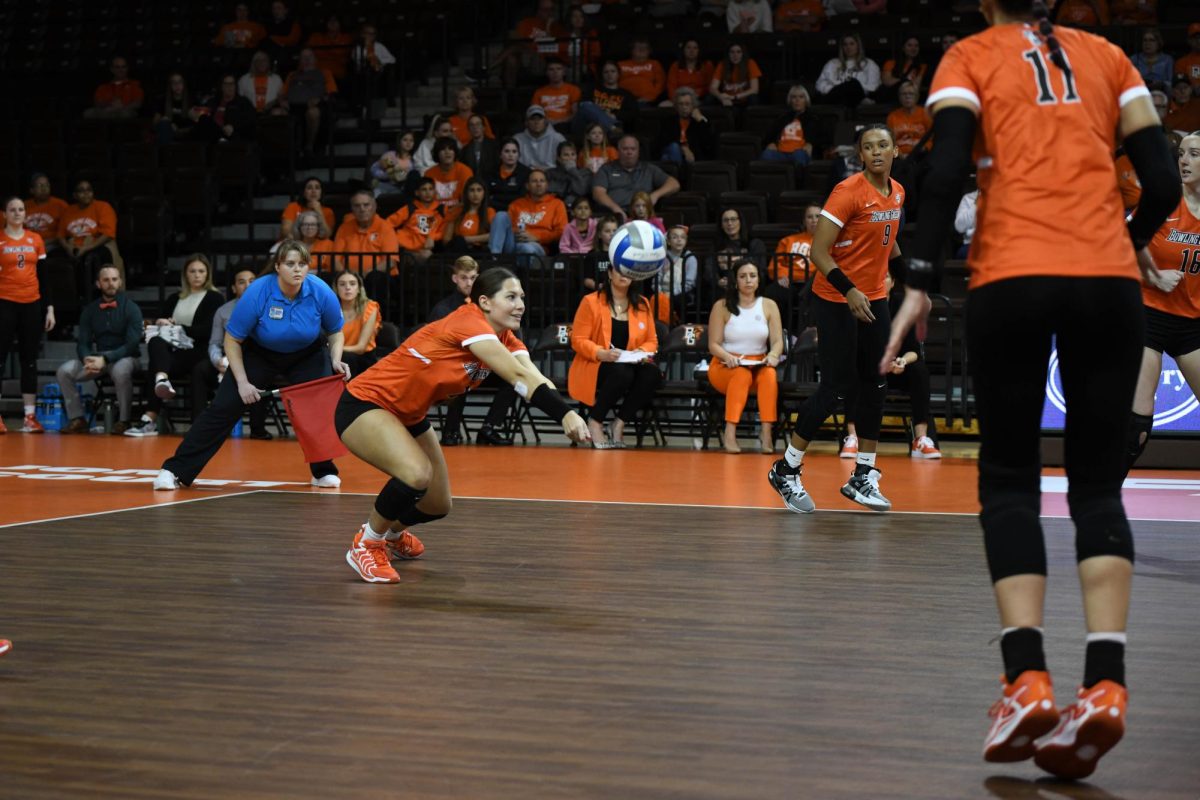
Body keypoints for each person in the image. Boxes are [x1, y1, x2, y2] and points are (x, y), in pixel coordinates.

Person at [883, 0, 1179, 778]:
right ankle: (1106, 687)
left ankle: (1027, 680)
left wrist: (917, 276)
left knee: (1010, 480)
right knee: (1097, 486)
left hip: (1012, 273)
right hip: (1108, 282)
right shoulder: (1110, 58)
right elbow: (1161, 177)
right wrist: (1127, 241)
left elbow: (945, 169)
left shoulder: (969, 56)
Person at [337, 266, 589, 582]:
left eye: (522, 296)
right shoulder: (468, 321)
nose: (521, 304)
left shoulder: (506, 339)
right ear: (484, 302)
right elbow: (519, 378)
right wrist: (563, 415)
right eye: (511, 297)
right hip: (366, 403)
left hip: (408, 415)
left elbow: (534, 377)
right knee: (415, 473)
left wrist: (567, 411)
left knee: (437, 502)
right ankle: (367, 543)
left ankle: (389, 534)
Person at [767, 125, 903, 515]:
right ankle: (786, 469)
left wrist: (914, 284)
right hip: (835, 298)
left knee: (876, 384)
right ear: (860, 155)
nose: (876, 152)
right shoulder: (847, 192)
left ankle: (863, 475)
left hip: (874, 296)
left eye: (883, 145)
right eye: (868, 147)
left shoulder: (897, 193)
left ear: (895, 150)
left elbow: (888, 241)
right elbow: (818, 253)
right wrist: (849, 290)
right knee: (837, 388)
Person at [155, 241, 349, 490]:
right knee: (223, 408)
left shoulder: (320, 291)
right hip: (260, 352)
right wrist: (243, 382)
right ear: (278, 266)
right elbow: (232, 339)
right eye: (290, 264)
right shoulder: (258, 291)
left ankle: (323, 472)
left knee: (316, 408)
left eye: (302, 264)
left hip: (307, 353)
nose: (297, 270)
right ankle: (173, 470)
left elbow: (335, 332)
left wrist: (334, 359)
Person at [1125, 131, 1200, 473]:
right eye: (1182, 154)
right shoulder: (1163, 201)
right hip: (1148, 316)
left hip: (1193, 324)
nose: (1184, 161)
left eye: (1195, 154)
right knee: (1135, 430)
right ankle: (1102, 507)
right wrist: (1153, 276)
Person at [841, 272, 941, 459]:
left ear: (893, 282)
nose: (881, 279)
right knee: (854, 369)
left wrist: (902, 361)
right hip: (870, 369)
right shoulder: (860, 306)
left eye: (886, 276)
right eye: (877, 276)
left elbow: (914, 351)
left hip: (896, 370)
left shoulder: (902, 309)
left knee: (919, 370)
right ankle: (853, 437)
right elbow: (853, 348)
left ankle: (921, 439)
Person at [125, 255, 225, 436]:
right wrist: (162, 322)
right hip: (176, 353)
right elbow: (162, 324)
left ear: (207, 274)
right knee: (155, 341)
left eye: (201, 271)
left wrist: (179, 327)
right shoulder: (174, 298)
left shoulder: (215, 298)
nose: (197, 275)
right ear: (185, 275)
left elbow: (207, 331)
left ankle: (151, 417)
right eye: (192, 271)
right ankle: (162, 379)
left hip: (200, 352)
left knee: (156, 364)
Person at [427, 257, 520, 447]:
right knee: (460, 376)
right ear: (455, 279)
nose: (469, 283)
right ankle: (451, 430)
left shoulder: (492, 304)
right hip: (455, 368)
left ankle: (489, 428)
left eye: (473, 277)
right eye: (464, 278)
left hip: (486, 367)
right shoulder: (444, 308)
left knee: (514, 380)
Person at [569, 266, 660, 448]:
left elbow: (652, 340)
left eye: (629, 272)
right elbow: (578, 340)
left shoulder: (642, 303)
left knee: (652, 374)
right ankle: (595, 421)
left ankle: (619, 422)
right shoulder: (590, 301)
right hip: (596, 363)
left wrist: (639, 352)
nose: (624, 275)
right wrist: (600, 353)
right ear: (610, 273)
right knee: (622, 373)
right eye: (620, 270)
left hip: (629, 362)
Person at [56, 264, 142, 435]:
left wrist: (107, 359)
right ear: (98, 284)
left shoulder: (131, 308)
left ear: (120, 282)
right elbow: (83, 342)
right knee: (64, 371)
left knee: (120, 371)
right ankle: (78, 418)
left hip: (127, 357)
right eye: (106, 280)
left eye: (114, 279)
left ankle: (124, 420)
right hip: (98, 359)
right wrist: (86, 359)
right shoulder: (90, 310)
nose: (111, 283)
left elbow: (132, 343)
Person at [707, 260, 783, 453]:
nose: (748, 280)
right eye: (743, 276)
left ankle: (766, 434)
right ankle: (729, 433)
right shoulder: (722, 306)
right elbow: (713, 345)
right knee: (742, 375)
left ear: (759, 279)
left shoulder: (769, 305)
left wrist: (773, 355)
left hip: (758, 363)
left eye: (752, 275)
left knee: (769, 376)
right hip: (726, 365)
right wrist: (727, 356)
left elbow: (777, 341)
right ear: (735, 280)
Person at [195, 267, 272, 440]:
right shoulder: (223, 311)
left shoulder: (267, 307)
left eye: (252, 281)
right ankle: (199, 425)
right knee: (200, 369)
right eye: (241, 282)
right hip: (226, 356)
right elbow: (214, 343)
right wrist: (217, 361)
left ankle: (257, 428)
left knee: (261, 373)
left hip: (254, 357)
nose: (247, 285)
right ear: (233, 288)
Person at [0, 197, 55, 435]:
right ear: (4, 213)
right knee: (0, 359)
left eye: (21, 209)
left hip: (31, 303)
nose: (17, 213)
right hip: (4, 302)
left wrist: (49, 308)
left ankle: (29, 417)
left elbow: (44, 278)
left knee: (29, 360)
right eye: (12, 209)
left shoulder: (35, 239)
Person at [591, 135, 680, 221]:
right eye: (625, 149)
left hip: (643, 216)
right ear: (618, 151)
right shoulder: (606, 169)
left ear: (638, 152)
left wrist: (655, 195)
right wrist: (615, 209)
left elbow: (674, 184)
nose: (629, 152)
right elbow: (598, 193)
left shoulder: (649, 169)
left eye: (633, 149)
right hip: (615, 216)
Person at [58, 179, 119, 292]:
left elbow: (108, 234)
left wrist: (86, 248)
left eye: (89, 190)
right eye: (81, 191)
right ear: (75, 195)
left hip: (96, 243)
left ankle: (96, 295)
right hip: (73, 246)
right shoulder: (68, 211)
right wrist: (67, 248)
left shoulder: (103, 207)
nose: (86, 193)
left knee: (93, 257)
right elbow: (60, 235)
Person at [490, 169, 568, 258]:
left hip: (537, 245)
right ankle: (494, 258)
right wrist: (518, 233)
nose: (538, 184)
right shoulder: (516, 204)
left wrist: (537, 237)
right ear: (527, 186)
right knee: (501, 215)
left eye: (542, 181)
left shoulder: (557, 204)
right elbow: (507, 228)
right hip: (513, 242)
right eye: (534, 181)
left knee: (526, 248)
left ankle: (521, 270)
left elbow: (561, 232)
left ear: (547, 185)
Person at [768, 201, 821, 317]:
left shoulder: (830, 242)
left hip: (813, 284)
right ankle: (781, 331)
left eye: (818, 216)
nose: (814, 220)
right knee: (773, 292)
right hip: (790, 283)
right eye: (809, 217)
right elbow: (775, 264)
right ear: (804, 221)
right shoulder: (788, 241)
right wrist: (781, 275)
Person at [282, 48, 338, 155]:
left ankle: (309, 145)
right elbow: (283, 94)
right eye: (304, 57)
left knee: (313, 112)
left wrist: (320, 99)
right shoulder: (292, 75)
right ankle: (287, 151)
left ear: (315, 59)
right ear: (299, 60)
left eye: (310, 56)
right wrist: (282, 101)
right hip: (294, 106)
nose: (307, 59)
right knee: (278, 113)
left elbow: (331, 93)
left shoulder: (325, 73)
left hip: (315, 105)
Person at [333, 190, 399, 278]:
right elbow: (335, 260)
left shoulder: (385, 227)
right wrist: (347, 275)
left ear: (375, 206)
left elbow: (390, 261)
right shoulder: (344, 228)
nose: (362, 209)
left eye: (366, 205)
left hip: (380, 277)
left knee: (375, 278)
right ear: (352, 209)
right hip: (349, 279)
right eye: (357, 206)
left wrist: (367, 274)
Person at [387, 178, 445, 264]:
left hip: (425, 250)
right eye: (424, 189)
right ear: (417, 193)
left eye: (430, 189)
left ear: (435, 191)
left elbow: (445, 229)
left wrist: (433, 237)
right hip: (403, 248)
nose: (428, 193)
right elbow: (388, 223)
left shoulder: (442, 210)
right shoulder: (410, 208)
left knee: (427, 255)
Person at [335, 270, 381, 377]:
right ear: (336, 289)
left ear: (359, 288)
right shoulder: (331, 309)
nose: (347, 287)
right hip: (338, 357)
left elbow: (360, 348)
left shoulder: (370, 307)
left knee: (346, 357)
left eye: (352, 283)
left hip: (363, 359)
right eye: (342, 284)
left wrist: (334, 349)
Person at [708, 208, 766, 292]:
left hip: (749, 287)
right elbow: (709, 268)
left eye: (733, 219)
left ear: (740, 222)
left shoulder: (755, 243)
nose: (730, 223)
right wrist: (718, 281)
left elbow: (760, 269)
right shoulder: (716, 246)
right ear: (721, 225)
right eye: (725, 220)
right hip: (723, 288)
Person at [815, 33, 881, 107]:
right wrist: (841, 88)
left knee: (853, 83)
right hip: (835, 98)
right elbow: (819, 84)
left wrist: (853, 90)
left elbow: (873, 87)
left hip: (857, 99)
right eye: (845, 44)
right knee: (851, 84)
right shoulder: (832, 63)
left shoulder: (869, 64)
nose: (848, 47)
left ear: (858, 46)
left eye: (852, 44)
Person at [575, 60, 639, 136]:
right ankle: (611, 127)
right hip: (589, 128)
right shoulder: (592, 90)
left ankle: (610, 127)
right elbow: (583, 106)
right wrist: (604, 115)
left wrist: (614, 116)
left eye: (613, 71)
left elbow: (632, 113)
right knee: (585, 105)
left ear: (618, 74)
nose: (610, 74)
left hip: (609, 129)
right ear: (602, 75)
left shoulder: (626, 94)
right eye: (606, 72)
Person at [189, 74, 257, 144]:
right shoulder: (213, 101)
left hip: (230, 135)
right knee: (203, 120)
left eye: (231, 84)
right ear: (221, 86)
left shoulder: (243, 102)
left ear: (235, 86)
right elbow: (202, 111)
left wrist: (234, 127)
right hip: (211, 134)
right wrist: (194, 113)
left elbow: (250, 120)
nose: (229, 87)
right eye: (226, 84)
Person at [655, 87, 716, 164]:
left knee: (666, 158)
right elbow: (662, 142)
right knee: (673, 148)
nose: (684, 107)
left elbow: (709, 145)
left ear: (693, 106)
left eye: (687, 104)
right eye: (681, 104)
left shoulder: (699, 122)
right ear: (676, 106)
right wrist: (683, 148)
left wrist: (701, 121)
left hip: (693, 158)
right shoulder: (669, 122)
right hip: (676, 152)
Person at [761, 84, 816, 166]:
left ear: (806, 100)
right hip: (781, 153)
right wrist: (771, 143)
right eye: (794, 97)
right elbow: (769, 137)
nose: (797, 100)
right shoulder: (782, 118)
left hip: (799, 153)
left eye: (801, 97)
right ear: (790, 100)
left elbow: (820, 139)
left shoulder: (812, 119)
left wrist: (811, 144)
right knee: (766, 154)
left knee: (799, 155)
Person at [442, 178, 496, 253]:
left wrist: (467, 239)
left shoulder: (489, 211)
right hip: (459, 248)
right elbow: (446, 240)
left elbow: (493, 235)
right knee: (458, 241)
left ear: (484, 193)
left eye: (479, 190)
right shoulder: (457, 210)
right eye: (472, 190)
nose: (475, 194)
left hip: (478, 249)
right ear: (466, 193)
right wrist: (462, 241)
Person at [349, 22, 397, 105]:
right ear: (362, 34)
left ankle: (390, 100)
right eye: (368, 33)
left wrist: (379, 60)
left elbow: (392, 59)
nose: (371, 36)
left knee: (390, 71)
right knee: (369, 71)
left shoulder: (379, 46)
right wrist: (370, 57)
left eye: (373, 33)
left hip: (380, 70)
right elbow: (357, 61)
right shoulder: (357, 48)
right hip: (364, 72)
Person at [482, 138, 533, 212]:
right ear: (500, 154)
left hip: (517, 212)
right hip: (493, 211)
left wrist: (495, 198)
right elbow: (486, 197)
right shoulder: (490, 172)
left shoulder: (526, 173)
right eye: (507, 151)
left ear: (519, 155)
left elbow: (521, 199)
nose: (510, 155)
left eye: (514, 152)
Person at [660, 224, 699, 319]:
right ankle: (662, 331)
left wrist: (671, 293)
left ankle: (690, 333)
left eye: (682, 237)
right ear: (668, 241)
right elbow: (657, 278)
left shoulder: (690, 257)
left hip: (682, 292)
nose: (679, 240)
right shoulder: (662, 256)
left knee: (678, 302)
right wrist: (660, 292)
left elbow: (689, 283)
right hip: (663, 292)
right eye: (674, 237)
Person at [424, 137, 475, 208]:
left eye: (450, 149)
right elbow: (426, 202)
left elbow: (467, 201)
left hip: (459, 212)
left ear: (455, 152)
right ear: (437, 153)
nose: (447, 152)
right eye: (443, 149)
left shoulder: (465, 171)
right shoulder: (429, 173)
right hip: (435, 213)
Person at [877, 37, 929, 104]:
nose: (913, 48)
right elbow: (887, 81)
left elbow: (916, 86)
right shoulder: (891, 63)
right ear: (903, 48)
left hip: (910, 98)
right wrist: (904, 80)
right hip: (891, 97)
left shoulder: (922, 66)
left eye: (916, 46)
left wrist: (899, 80)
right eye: (909, 45)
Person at [513, 105, 567, 171]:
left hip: (552, 176)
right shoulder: (517, 139)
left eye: (540, 118)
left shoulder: (558, 138)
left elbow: (566, 164)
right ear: (526, 122)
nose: (536, 122)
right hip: (525, 177)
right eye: (532, 119)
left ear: (545, 121)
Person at [708, 43, 762, 107]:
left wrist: (735, 97)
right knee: (710, 98)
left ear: (743, 54)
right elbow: (713, 88)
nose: (735, 55)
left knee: (753, 98)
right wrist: (721, 97)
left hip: (743, 99)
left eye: (738, 52)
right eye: (732, 52)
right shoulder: (722, 64)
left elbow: (755, 89)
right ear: (728, 54)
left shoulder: (750, 63)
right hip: (726, 99)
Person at [533, 57, 582, 127]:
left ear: (564, 72)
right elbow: (535, 113)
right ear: (546, 73)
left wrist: (560, 121)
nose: (555, 72)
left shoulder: (573, 90)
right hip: (544, 126)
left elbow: (576, 114)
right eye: (551, 69)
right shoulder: (539, 92)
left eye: (559, 69)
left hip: (566, 125)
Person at [888, 82, 932, 156]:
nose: (907, 96)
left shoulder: (925, 114)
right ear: (899, 97)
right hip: (899, 156)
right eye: (904, 94)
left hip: (921, 154)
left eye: (911, 94)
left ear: (917, 97)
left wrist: (924, 148)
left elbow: (931, 139)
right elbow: (890, 142)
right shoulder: (892, 117)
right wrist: (901, 155)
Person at [370, 130, 419, 198]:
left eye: (411, 140)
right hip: (384, 186)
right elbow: (374, 169)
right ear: (399, 142)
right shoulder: (390, 155)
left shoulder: (415, 159)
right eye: (405, 140)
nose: (408, 143)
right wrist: (389, 175)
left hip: (401, 190)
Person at [306, 15, 353, 85]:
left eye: (335, 20)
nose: (332, 23)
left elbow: (341, 53)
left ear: (340, 23)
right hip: (317, 69)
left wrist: (324, 54)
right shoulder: (316, 36)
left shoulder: (346, 37)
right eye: (330, 20)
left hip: (337, 71)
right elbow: (307, 53)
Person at [618, 38, 667, 106]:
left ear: (650, 51)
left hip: (647, 100)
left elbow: (661, 84)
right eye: (638, 48)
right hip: (623, 100)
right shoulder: (620, 64)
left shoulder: (655, 64)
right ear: (631, 50)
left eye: (645, 48)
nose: (642, 50)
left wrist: (650, 97)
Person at [664, 40, 713, 106]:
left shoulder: (707, 65)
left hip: (700, 99)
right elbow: (671, 87)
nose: (691, 51)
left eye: (695, 48)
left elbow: (710, 86)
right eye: (688, 47)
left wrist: (694, 94)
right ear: (683, 50)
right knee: (664, 105)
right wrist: (679, 99)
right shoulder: (675, 66)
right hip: (679, 99)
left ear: (699, 50)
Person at [24, 174, 67, 249]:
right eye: (40, 186)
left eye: (46, 185)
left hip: (53, 245)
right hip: (27, 244)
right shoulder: (23, 206)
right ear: (32, 190)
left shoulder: (61, 205)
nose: (44, 189)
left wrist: (44, 243)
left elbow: (66, 232)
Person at [545, 141, 591, 209]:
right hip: (554, 207)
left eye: (573, 154)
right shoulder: (550, 173)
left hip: (578, 210)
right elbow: (548, 190)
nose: (570, 158)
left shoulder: (585, 172)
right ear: (559, 158)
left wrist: (572, 171)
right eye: (566, 155)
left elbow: (581, 191)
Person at [153, 72, 196, 144]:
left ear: (184, 84)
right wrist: (167, 123)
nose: (177, 85)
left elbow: (198, 124)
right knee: (164, 124)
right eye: (174, 82)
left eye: (180, 82)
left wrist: (181, 131)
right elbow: (154, 123)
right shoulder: (163, 100)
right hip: (169, 135)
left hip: (187, 135)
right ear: (170, 85)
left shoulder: (192, 100)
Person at [239, 51, 285, 115]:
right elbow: (240, 99)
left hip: (271, 113)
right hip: (250, 113)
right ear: (254, 63)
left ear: (268, 63)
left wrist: (272, 103)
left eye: (264, 60)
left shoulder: (276, 79)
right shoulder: (244, 79)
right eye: (258, 60)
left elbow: (282, 97)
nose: (261, 63)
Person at [459, 116, 500, 180]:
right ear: (469, 129)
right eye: (472, 125)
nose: (475, 127)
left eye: (478, 124)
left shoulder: (495, 146)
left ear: (483, 127)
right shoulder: (465, 150)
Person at [954, 189, 978, 258]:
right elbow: (959, 227)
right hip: (971, 244)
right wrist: (976, 205)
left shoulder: (1003, 197)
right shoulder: (968, 198)